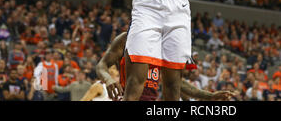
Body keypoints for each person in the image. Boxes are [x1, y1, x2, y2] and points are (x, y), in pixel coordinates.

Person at [96, 32, 234, 101]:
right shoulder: (126, 38)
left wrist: (209, 96)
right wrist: (108, 79)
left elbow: (177, 83)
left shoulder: (164, 43)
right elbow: (101, 65)